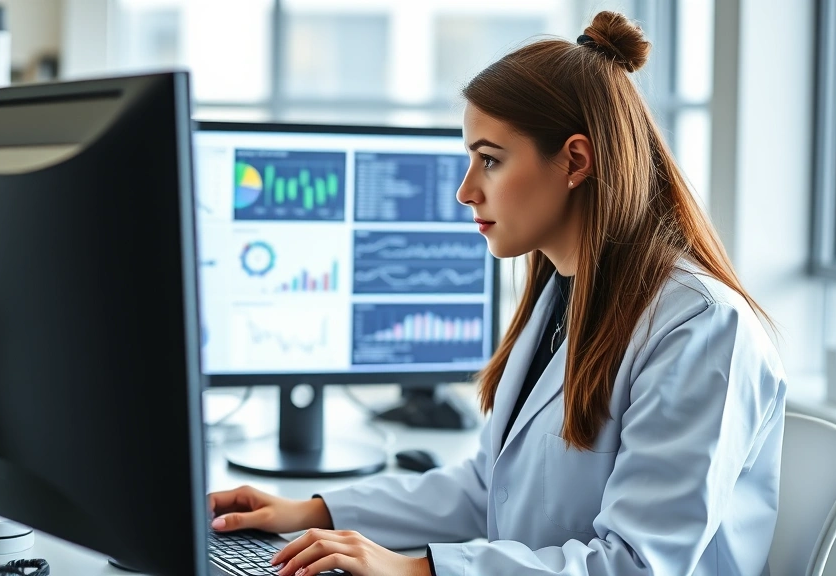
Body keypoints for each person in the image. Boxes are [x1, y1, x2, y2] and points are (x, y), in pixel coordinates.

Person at [207, 11, 786, 576]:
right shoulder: (564, 295)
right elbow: (488, 486)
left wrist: (415, 571)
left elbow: (634, 564)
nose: (465, 191)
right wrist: (313, 513)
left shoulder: (702, 328)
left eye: (490, 160)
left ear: (575, 161)